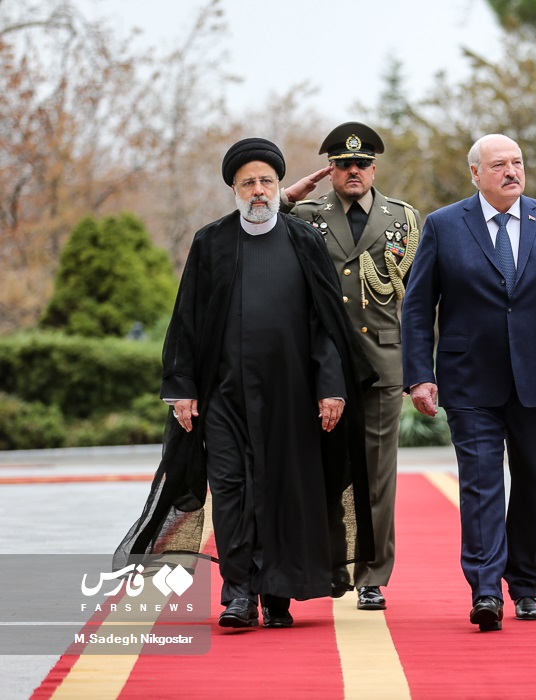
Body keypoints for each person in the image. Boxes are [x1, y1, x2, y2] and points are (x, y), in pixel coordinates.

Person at [114, 138, 377, 630]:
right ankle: (238, 594)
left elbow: (326, 324)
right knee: (231, 492)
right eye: (248, 183)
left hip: (291, 397)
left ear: (279, 186)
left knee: (282, 492)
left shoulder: (304, 240)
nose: (258, 190)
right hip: (224, 397)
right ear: (234, 189)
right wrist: (182, 387)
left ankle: (277, 593)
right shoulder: (211, 242)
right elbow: (187, 319)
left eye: (266, 181)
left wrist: (331, 387)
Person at [401, 133, 536, 632]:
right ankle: (484, 589)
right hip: (469, 378)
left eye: (517, 162)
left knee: (535, 484)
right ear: (475, 173)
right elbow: (417, 307)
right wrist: (418, 375)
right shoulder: (444, 225)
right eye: (498, 164)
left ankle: (526, 586)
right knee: (481, 484)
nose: (511, 171)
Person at [282, 122, 422, 611]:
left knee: (377, 474)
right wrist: (286, 196)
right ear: (330, 170)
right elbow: (253, 224)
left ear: (374, 169)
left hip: (382, 362)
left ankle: (372, 575)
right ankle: (331, 563)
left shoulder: (403, 219)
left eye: (362, 163)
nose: (353, 171)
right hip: (322, 364)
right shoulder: (305, 214)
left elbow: (419, 300)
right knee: (323, 469)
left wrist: (420, 369)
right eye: (343, 165)